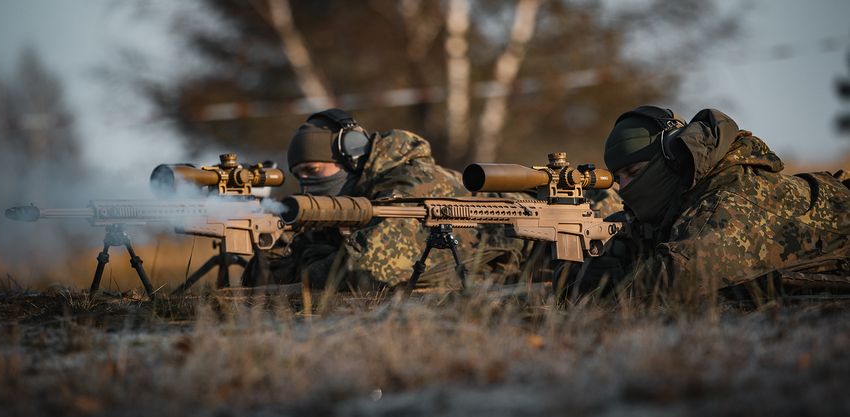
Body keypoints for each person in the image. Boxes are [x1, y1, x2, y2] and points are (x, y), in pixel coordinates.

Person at [243, 108, 529, 290]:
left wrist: (307, 266)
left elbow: (371, 268)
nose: (307, 184)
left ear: (351, 157)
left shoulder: (412, 181)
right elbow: (262, 284)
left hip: (536, 251)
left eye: (313, 171)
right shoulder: (351, 199)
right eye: (299, 175)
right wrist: (275, 238)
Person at [582, 105, 850, 295]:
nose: (624, 186)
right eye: (619, 177)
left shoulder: (731, 198)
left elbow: (679, 274)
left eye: (634, 173)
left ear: (672, 159)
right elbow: (645, 234)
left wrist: (609, 285)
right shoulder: (685, 196)